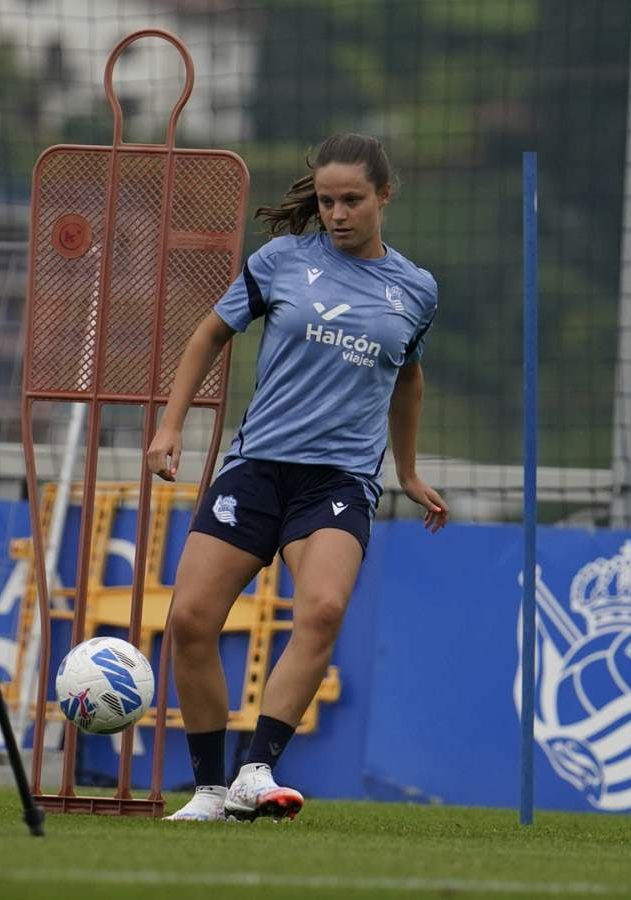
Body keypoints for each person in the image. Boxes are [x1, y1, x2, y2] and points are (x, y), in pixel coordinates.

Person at [148, 133, 447, 822]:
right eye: (325, 201)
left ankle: (257, 769)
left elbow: (408, 378)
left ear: (383, 197)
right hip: (256, 469)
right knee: (189, 622)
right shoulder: (280, 261)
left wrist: (405, 469)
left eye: (351, 200)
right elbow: (206, 337)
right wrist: (169, 428)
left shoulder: (415, 289)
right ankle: (208, 792)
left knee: (321, 610)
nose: (337, 213)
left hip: (337, 483)